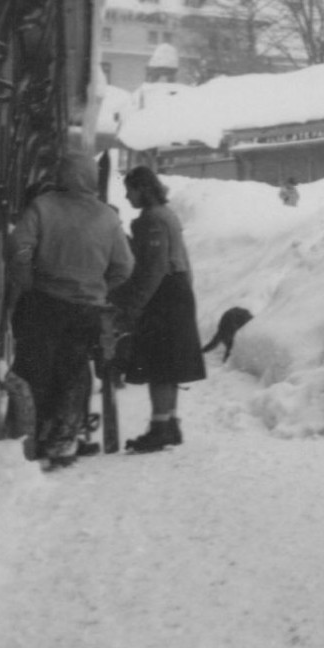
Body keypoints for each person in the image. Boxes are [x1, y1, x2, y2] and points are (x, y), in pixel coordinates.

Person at [8, 150, 135, 467]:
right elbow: (125, 265)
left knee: (36, 368)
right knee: (73, 371)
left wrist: (27, 278)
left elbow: (18, 246)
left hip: (44, 302)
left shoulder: (43, 206)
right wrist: (100, 285)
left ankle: (31, 437)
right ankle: (64, 440)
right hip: (86, 309)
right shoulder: (107, 216)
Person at [110, 166, 206, 452]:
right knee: (171, 364)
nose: (127, 196)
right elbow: (183, 263)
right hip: (177, 291)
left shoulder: (150, 220)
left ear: (143, 189)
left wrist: (134, 306)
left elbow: (152, 269)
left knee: (159, 366)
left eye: (130, 190)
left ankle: (159, 429)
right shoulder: (169, 215)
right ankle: (171, 424)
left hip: (162, 296)